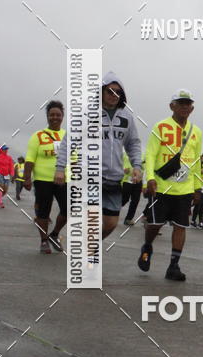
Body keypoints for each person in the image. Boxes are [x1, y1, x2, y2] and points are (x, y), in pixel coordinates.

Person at [55, 72, 142, 239]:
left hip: (114, 178)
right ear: (101, 91)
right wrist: (60, 168)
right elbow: (69, 141)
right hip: (89, 176)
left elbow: (133, 143)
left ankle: (89, 246)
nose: (114, 95)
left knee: (111, 224)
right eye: (110, 91)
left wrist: (137, 166)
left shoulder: (127, 117)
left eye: (118, 92)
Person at [138, 90, 202, 281]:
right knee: (155, 224)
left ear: (192, 108)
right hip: (162, 186)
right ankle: (147, 246)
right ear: (172, 106)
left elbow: (197, 161)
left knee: (180, 226)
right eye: (180, 103)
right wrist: (149, 178)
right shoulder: (160, 127)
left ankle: (174, 266)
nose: (184, 107)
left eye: (187, 104)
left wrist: (197, 187)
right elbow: (150, 154)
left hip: (184, 188)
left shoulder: (196, 131)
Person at [23, 102, 67, 252]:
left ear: (62, 116)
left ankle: (54, 234)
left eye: (58, 115)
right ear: (47, 117)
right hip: (43, 180)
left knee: (70, 209)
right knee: (43, 211)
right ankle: (43, 241)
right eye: (51, 115)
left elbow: (74, 157)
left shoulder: (68, 135)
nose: (55, 117)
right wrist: (27, 178)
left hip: (64, 179)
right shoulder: (38, 136)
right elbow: (30, 158)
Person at [122, 153, 144, 225]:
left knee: (135, 201)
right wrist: (126, 170)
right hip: (127, 181)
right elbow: (124, 168)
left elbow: (144, 168)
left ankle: (128, 219)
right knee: (124, 199)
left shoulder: (142, 156)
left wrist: (141, 179)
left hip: (138, 181)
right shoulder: (124, 155)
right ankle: (111, 211)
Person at [191, 154, 203, 229]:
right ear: (202, 158)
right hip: (199, 187)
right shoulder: (199, 165)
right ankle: (199, 222)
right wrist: (199, 172)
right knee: (200, 205)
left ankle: (194, 221)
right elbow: (192, 173)